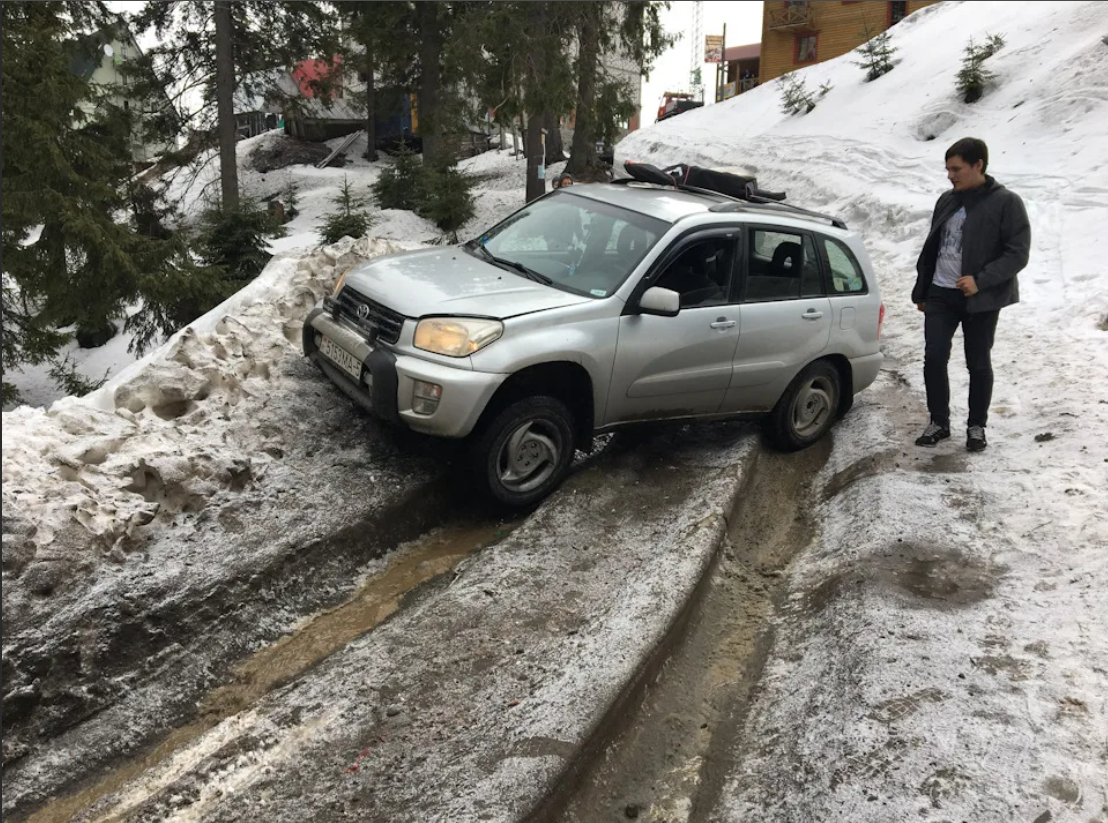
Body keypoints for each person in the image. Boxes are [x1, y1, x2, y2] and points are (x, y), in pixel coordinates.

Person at [912, 137, 1031, 452]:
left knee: (978, 363)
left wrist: (981, 280)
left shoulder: (1007, 202)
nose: (950, 175)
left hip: (981, 299)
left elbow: (1017, 253)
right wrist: (923, 290)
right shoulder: (947, 200)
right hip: (940, 293)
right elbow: (933, 248)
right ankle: (939, 422)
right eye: (948, 169)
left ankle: (976, 425)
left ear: (979, 165)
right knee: (934, 356)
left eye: (956, 168)